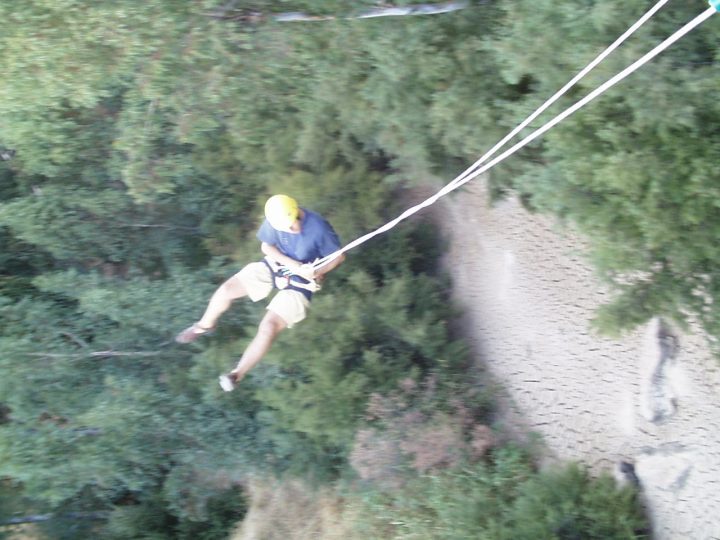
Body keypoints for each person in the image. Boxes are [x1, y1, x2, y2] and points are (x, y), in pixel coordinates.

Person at [175, 194, 345, 391]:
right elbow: (267, 246)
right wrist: (291, 263)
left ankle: (236, 374)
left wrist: (316, 272)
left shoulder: (319, 228)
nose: (289, 230)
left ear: (297, 213)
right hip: (277, 264)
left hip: (302, 282)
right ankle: (203, 326)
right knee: (226, 290)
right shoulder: (276, 218)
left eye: (291, 226)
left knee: (268, 327)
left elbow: (338, 257)